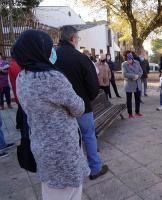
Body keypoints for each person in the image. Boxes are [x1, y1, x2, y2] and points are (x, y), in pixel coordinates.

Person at [13, 29, 89, 199]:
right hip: (62, 149)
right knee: (69, 192)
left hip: (41, 145)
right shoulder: (51, 77)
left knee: (50, 190)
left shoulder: (22, 77)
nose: (51, 50)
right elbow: (78, 108)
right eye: (48, 47)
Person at [55, 25, 108, 180]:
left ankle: (70, 172)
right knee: (89, 136)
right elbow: (93, 85)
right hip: (82, 106)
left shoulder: (51, 57)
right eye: (77, 38)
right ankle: (95, 169)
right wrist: (87, 98)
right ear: (73, 38)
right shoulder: (81, 58)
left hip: (59, 108)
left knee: (66, 140)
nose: (77, 40)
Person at [122, 51, 143, 118]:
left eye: (130, 60)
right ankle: (130, 114)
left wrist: (138, 76)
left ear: (132, 58)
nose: (129, 61)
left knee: (137, 99)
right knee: (129, 100)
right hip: (129, 84)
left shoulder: (137, 62)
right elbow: (124, 74)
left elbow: (141, 71)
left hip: (137, 83)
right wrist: (134, 76)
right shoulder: (124, 64)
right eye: (127, 60)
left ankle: (137, 112)